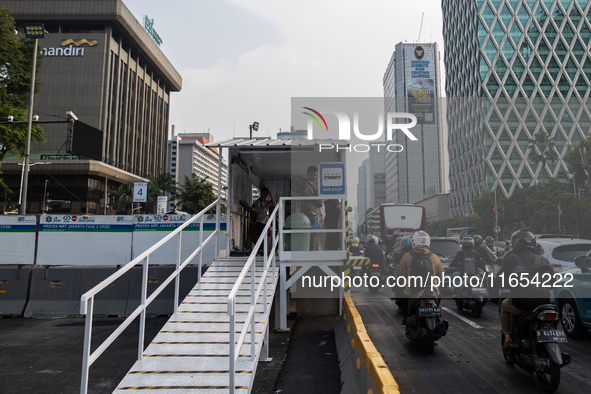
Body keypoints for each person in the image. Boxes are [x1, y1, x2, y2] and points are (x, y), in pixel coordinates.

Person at [497, 230, 554, 348]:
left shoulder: (511, 259)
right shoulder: (544, 260)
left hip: (522, 304)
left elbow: (500, 280)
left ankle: (507, 336)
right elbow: (552, 282)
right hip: (544, 303)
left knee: (504, 305)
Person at [395, 231, 444, 319]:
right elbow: (442, 275)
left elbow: (399, 275)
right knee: (439, 291)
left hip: (412, 290)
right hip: (432, 289)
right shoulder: (434, 257)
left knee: (402, 298)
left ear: (414, 242)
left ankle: (407, 318)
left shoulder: (407, 256)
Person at [297, 165, 323, 250]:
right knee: (310, 233)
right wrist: (316, 198)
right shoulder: (304, 183)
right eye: (314, 175)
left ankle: (310, 249)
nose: (315, 177)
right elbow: (305, 195)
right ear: (309, 173)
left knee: (312, 233)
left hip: (311, 210)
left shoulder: (310, 184)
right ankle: (309, 250)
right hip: (308, 210)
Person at [252, 187, 275, 254]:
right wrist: (265, 206)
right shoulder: (258, 201)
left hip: (266, 222)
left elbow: (274, 204)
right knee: (260, 236)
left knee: (267, 236)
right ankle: (260, 250)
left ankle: (266, 250)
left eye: (267, 193)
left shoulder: (267, 201)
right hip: (260, 221)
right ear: (261, 192)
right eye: (265, 193)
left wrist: (271, 195)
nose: (266, 194)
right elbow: (257, 210)